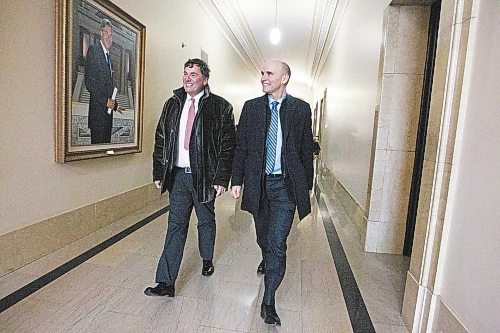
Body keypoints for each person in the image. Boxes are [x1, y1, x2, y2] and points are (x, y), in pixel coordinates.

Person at [231, 59, 313, 326]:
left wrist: (306, 188)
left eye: (269, 73)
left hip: (286, 187)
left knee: (278, 243)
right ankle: (265, 258)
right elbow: (241, 147)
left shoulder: (300, 109)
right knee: (264, 238)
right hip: (259, 184)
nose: (264, 77)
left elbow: (305, 152)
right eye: (262, 73)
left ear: (285, 78)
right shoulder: (252, 108)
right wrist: (236, 181)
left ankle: (268, 301)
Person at [145, 58, 236, 298]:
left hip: (205, 177)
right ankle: (166, 282)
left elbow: (227, 146)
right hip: (177, 177)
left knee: (205, 220)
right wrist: (158, 172)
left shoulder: (221, 107)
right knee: (175, 226)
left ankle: (207, 258)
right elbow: (161, 139)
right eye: (185, 73)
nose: (187, 78)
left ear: (205, 79)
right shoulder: (172, 104)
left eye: (193, 74)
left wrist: (221, 179)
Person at [85, 19, 123, 144]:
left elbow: (107, 86)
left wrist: (115, 105)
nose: (109, 37)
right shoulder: (94, 50)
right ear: (101, 33)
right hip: (97, 118)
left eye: (111, 34)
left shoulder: (109, 58)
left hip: (107, 117)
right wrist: (106, 101)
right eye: (106, 33)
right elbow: (90, 83)